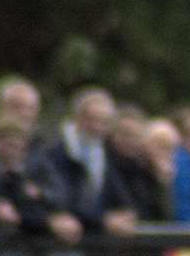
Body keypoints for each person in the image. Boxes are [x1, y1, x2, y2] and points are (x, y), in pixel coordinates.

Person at [37, 87, 136, 235]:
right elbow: (64, 201)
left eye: (104, 122)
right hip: (60, 239)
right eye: (91, 119)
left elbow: (119, 195)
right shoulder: (55, 150)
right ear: (77, 117)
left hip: (95, 241)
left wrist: (126, 213)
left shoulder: (103, 151)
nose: (97, 127)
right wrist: (103, 220)